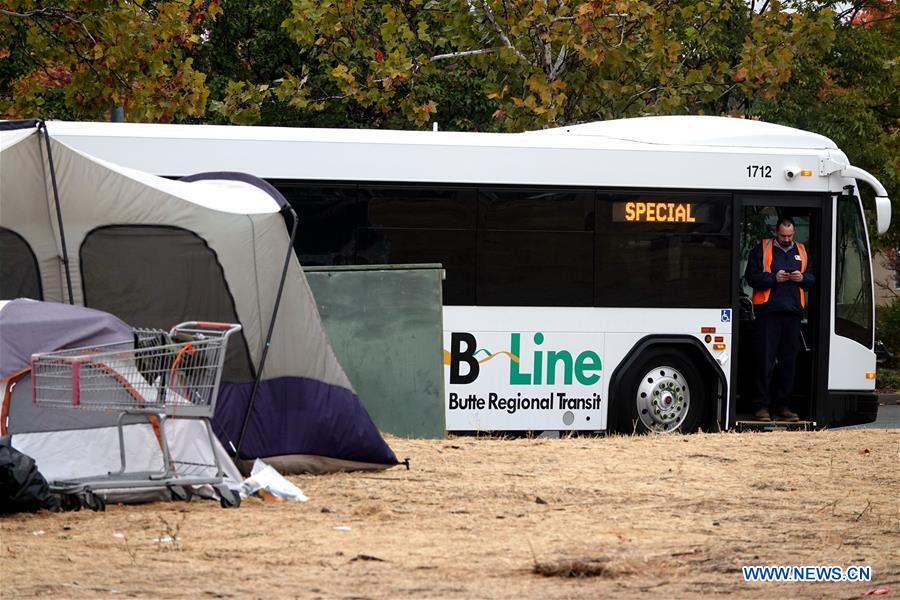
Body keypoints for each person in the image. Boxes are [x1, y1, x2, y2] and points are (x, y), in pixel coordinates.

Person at [744, 217, 815, 422]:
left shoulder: (801, 250)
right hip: (768, 313)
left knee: (788, 363)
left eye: (790, 235)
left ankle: (782, 407)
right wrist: (774, 279)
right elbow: (751, 276)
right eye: (783, 236)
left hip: (793, 314)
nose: (786, 239)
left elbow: (812, 278)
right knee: (764, 361)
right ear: (776, 232)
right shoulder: (763, 248)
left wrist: (802, 278)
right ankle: (761, 407)